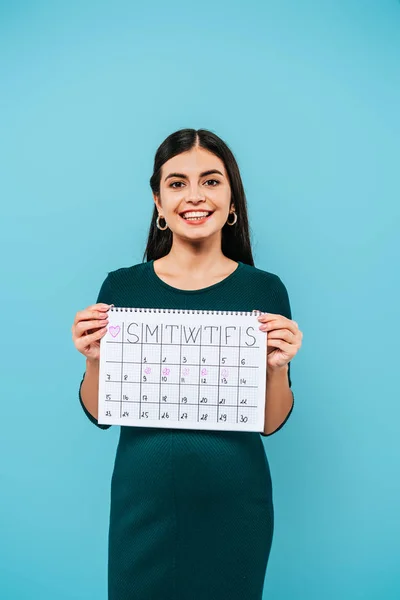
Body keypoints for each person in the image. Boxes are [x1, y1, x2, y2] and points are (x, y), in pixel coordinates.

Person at [71, 128, 303, 600]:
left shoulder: (265, 291)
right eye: (177, 183)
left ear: (232, 197)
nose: (194, 196)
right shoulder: (121, 289)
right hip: (143, 503)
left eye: (211, 181)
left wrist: (277, 368)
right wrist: (94, 361)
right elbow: (99, 413)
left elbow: (270, 422)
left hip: (237, 505)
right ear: (158, 201)